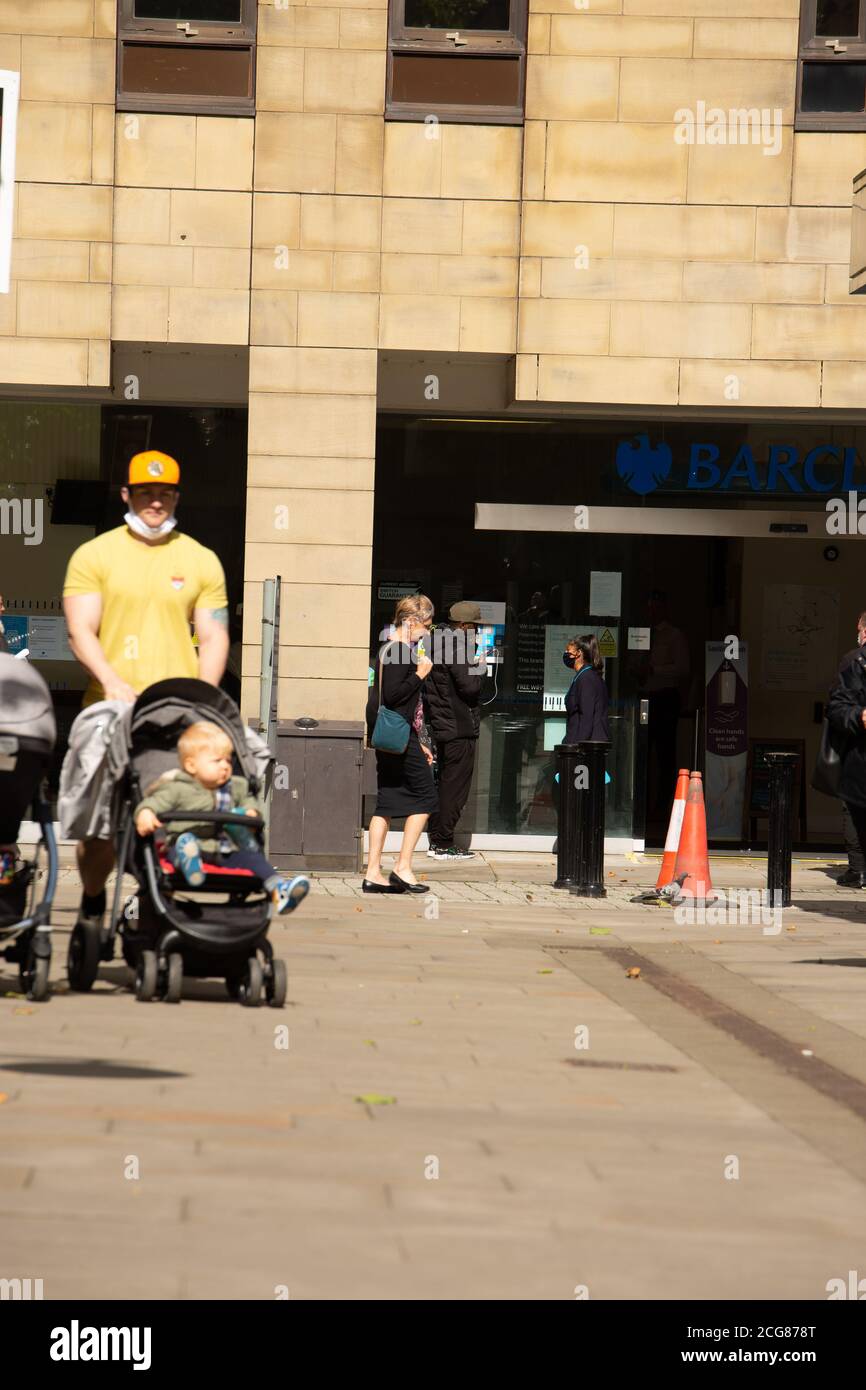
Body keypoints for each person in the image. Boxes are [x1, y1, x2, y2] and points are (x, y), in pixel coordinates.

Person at [62, 450, 231, 940]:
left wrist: (204, 695)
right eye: (145, 493)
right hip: (107, 710)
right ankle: (94, 904)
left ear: (176, 497)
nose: (154, 502)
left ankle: (149, 905)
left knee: (171, 817)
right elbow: (79, 630)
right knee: (99, 833)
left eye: (164, 493)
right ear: (127, 495)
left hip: (174, 716)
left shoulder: (200, 559)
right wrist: (112, 681)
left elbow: (215, 635)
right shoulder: (95, 556)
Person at [134, 721, 309, 914]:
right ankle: (190, 865)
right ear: (191, 765)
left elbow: (248, 801)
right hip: (188, 843)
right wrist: (146, 812)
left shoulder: (236, 786)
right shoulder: (177, 787)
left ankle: (280, 891)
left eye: (227, 760)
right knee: (179, 847)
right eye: (217, 761)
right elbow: (156, 801)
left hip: (225, 849)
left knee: (254, 860)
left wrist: (252, 812)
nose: (225, 766)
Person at [363, 595, 437, 894]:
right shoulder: (400, 653)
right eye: (427, 625)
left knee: (387, 803)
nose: (428, 632)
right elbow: (395, 697)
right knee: (427, 798)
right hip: (399, 737)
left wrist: (418, 741)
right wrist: (421, 673)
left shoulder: (387, 650)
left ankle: (372, 873)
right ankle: (403, 866)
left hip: (392, 736)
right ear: (411, 622)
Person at [424, 600, 486, 861]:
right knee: (455, 788)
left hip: (444, 724)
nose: (478, 632)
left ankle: (437, 839)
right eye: (475, 626)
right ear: (464, 626)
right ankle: (442, 843)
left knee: (446, 784)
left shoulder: (436, 642)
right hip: (458, 727)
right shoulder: (457, 647)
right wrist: (481, 666)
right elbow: (470, 687)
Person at [641, 590, 690, 816]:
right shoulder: (640, 633)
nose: (651, 612)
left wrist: (655, 669)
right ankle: (639, 804)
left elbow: (682, 669)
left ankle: (663, 807)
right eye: (648, 607)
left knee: (665, 754)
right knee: (641, 753)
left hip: (664, 697)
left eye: (655, 607)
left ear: (664, 608)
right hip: (644, 697)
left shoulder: (674, 636)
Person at [827, 639, 866, 884]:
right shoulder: (856, 662)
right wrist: (859, 716)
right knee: (854, 811)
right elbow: (836, 707)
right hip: (861, 762)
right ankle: (859, 869)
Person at [563, 634, 610, 744]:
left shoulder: (586, 678)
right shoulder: (587, 676)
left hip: (587, 746)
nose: (566, 654)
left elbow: (586, 718)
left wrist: (577, 747)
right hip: (585, 743)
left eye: (568, 650)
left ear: (578, 653)